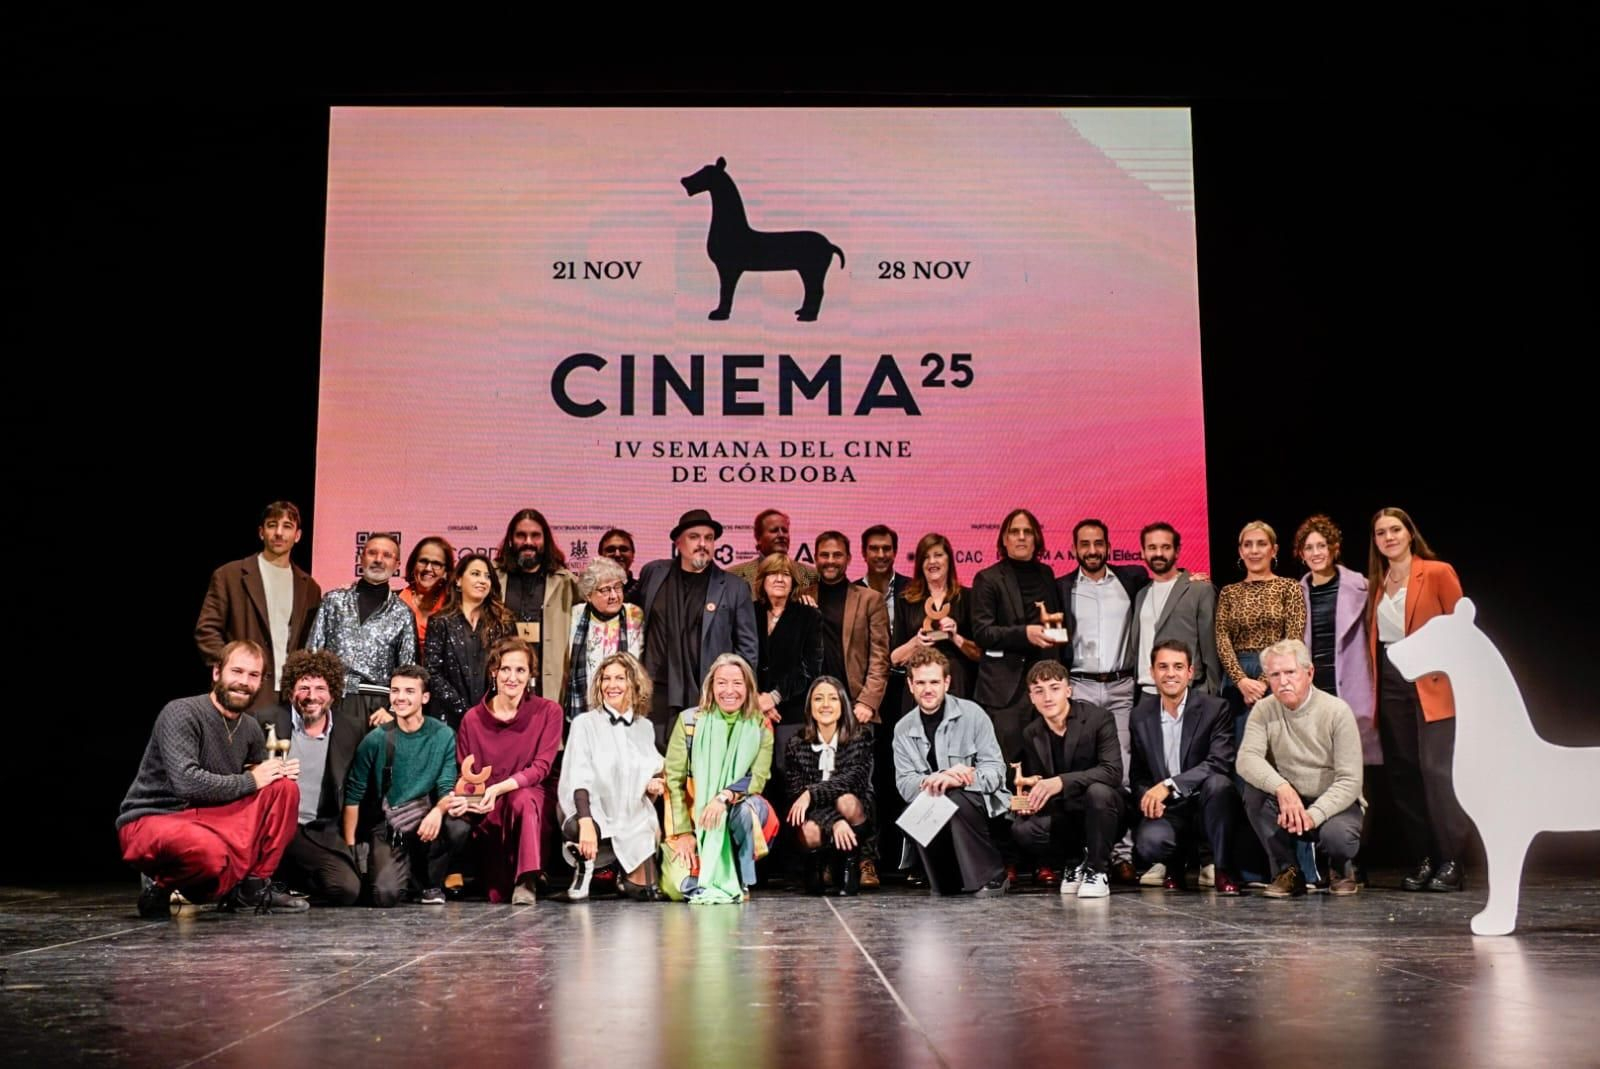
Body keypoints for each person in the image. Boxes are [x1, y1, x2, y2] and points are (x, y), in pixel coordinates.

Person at [117, 640, 307, 916]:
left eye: (253, 675)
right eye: (237, 671)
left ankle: (252, 888)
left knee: (283, 789)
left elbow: (252, 786)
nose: (244, 682)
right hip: (157, 817)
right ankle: (161, 885)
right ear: (217, 673)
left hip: (210, 819)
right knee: (209, 851)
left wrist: (274, 773)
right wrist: (252, 780)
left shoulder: (251, 728)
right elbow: (186, 782)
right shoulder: (182, 712)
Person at [1368, 507, 1470, 892]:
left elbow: (1461, 629)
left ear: (1410, 533)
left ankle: (1453, 859)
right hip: (1393, 680)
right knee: (1404, 773)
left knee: (1437, 771)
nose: (1389, 537)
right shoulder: (1377, 582)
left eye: (1395, 530)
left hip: (1433, 681)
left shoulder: (1437, 572)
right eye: (1381, 533)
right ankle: (1424, 858)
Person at [1059, 518, 1150, 881]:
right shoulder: (1062, 587)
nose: (1092, 550)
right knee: (1081, 771)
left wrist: (1193, 578)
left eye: (1098, 543)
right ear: (1074, 548)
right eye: (1085, 543)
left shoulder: (1131, 580)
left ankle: (1122, 854)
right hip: (1078, 685)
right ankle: (1086, 853)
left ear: (1108, 546)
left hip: (1120, 688)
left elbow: (1167, 582)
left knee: (1121, 773)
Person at [1236, 640, 1364, 898]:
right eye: (1275, 674)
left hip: (1333, 804)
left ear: (1309, 673)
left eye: (1290, 672)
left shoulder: (1337, 711)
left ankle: (1339, 868)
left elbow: (1350, 781)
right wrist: (1282, 788)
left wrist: (1313, 815)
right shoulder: (1263, 710)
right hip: (1290, 803)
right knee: (1254, 794)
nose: (1283, 681)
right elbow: (1246, 759)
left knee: (1337, 837)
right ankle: (1287, 871)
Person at [341, 665, 468, 908]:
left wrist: (437, 812)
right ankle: (408, 875)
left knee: (457, 826)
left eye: (410, 691)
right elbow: (353, 796)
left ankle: (430, 882)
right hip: (390, 825)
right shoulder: (377, 739)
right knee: (384, 895)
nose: (400, 697)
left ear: (425, 697)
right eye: (395, 690)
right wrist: (349, 850)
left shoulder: (443, 735)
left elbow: (446, 785)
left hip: (425, 818)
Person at [451, 639, 563, 905]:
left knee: (521, 797)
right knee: (496, 894)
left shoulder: (549, 712)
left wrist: (500, 787)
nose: (512, 678)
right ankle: (510, 871)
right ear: (494, 672)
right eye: (505, 669)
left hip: (532, 797)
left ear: (530, 675)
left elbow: (542, 767)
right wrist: (468, 801)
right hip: (490, 808)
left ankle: (529, 877)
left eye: (520, 670)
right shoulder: (473, 719)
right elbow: (466, 776)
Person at [891, 647, 1010, 896]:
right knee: (920, 806)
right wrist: (935, 780)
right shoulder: (903, 728)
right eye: (921, 682)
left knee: (952, 799)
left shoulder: (973, 714)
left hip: (980, 802)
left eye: (934, 681)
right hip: (932, 802)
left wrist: (958, 779)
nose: (928, 689)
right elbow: (904, 784)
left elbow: (996, 771)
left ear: (947, 682)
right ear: (910, 685)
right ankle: (947, 880)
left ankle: (993, 875)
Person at [1127, 640, 1243, 894]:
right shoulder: (1140, 715)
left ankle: (1223, 869)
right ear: (1152, 672)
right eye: (1163, 667)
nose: (1171, 674)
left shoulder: (1215, 708)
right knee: (1149, 844)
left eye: (1178, 667)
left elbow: (1219, 763)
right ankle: (1174, 865)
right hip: (1168, 811)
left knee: (1220, 785)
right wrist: (1148, 796)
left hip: (1204, 803)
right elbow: (1138, 773)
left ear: (1190, 672)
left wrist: (1169, 786)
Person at [638, 509, 760, 747]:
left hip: (709, 695)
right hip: (657, 693)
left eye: (709, 538)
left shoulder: (734, 587)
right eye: (694, 537)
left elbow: (748, 650)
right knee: (656, 772)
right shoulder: (654, 573)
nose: (702, 544)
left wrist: (736, 694)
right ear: (678, 542)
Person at [662, 654, 777, 903]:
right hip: (695, 819)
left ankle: (741, 878)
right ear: (710, 687)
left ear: (748, 688)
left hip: (739, 808)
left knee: (746, 811)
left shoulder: (760, 724)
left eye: (737, 683)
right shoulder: (690, 721)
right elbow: (673, 780)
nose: (729, 691)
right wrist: (684, 832)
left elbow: (757, 778)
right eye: (722, 683)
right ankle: (711, 875)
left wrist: (723, 797)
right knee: (675, 887)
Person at [255, 648, 361, 905]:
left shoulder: (351, 729)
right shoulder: (264, 720)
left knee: (347, 890)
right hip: (270, 827)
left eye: (320, 688)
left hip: (317, 831)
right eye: (304, 687)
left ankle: (289, 889)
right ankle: (269, 886)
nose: (311, 696)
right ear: (291, 690)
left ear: (333, 693)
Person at [1011, 660, 1124, 899]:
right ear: (1031, 697)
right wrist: (1032, 799)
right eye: (1038, 691)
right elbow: (1042, 781)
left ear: (1069, 691)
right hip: (1067, 812)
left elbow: (1112, 772)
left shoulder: (1098, 718)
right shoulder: (1032, 732)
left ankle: (1098, 870)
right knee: (1024, 829)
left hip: (1105, 808)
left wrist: (1060, 781)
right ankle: (1075, 861)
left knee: (1098, 792)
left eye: (1054, 687)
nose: (1047, 697)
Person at [558, 652, 666, 901]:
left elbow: (652, 766)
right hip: (594, 811)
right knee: (583, 825)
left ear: (634, 683)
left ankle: (618, 874)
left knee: (644, 892)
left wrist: (653, 783)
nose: (611, 685)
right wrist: (585, 820)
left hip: (631, 814)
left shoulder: (644, 727)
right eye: (606, 679)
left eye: (620, 678)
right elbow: (578, 775)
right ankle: (584, 868)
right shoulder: (585, 723)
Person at [194, 501, 322, 707]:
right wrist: (234, 669)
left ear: (297, 535)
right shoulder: (230, 575)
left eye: (287, 526)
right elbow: (207, 630)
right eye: (272, 525)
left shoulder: (310, 587)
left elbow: (310, 643)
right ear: (261, 532)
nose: (279, 533)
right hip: (241, 692)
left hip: (288, 697)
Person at [971, 508, 1065, 764]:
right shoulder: (987, 578)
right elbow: (982, 632)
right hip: (1005, 692)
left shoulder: (1047, 574)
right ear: (1004, 539)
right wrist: (1025, 634)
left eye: (1027, 532)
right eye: (1015, 532)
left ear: (1036, 538)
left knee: (1046, 764)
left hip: (1046, 686)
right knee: (1008, 767)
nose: (1021, 537)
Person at [306, 532, 418, 735]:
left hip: (378, 709)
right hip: (331, 701)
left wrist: (393, 711)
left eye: (387, 555)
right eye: (372, 553)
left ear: (397, 564)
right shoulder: (333, 601)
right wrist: (313, 700)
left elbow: (407, 671)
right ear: (361, 557)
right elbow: (312, 656)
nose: (378, 560)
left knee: (373, 766)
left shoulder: (403, 613)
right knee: (332, 767)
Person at [1294, 515, 1378, 764]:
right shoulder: (1295, 594)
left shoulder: (1362, 587)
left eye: (1321, 545)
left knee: (1356, 764)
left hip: (1353, 684)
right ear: (1301, 554)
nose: (1315, 553)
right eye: (1309, 547)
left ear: (1334, 548)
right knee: (1320, 764)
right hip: (1316, 684)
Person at [1215, 521, 1307, 749]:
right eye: (1248, 545)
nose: (1254, 551)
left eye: (1261, 544)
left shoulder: (1290, 587)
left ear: (1273, 550)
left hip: (1279, 675)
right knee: (1241, 748)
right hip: (1238, 680)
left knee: (1278, 748)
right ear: (1240, 551)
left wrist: (1267, 681)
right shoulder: (1228, 592)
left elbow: (1294, 638)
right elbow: (1221, 637)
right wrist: (1241, 681)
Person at [784, 676, 872, 895]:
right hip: (819, 818)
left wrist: (811, 793)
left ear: (843, 704)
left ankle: (850, 858)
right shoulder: (796, 744)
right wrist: (835, 822)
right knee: (810, 829)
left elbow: (852, 782)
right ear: (810, 706)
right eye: (818, 699)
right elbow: (797, 794)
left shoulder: (860, 738)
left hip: (855, 812)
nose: (825, 705)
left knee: (847, 800)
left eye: (833, 699)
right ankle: (817, 865)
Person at [494, 509, 580, 701]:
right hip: (503, 683)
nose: (528, 542)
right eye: (521, 535)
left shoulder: (565, 581)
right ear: (510, 539)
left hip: (548, 684)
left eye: (535, 536)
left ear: (545, 540)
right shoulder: (494, 577)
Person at [423, 552, 516, 729]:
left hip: (494, 717)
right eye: (475, 574)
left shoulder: (504, 623)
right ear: (458, 580)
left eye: (487, 576)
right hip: (447, 720)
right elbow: (432, 672)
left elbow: (511, 668)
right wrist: (464, 710)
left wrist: (489, 707)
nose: (482, 580)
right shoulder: (440, 622)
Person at [1130, 522, 1222, 697]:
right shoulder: (1141, 594)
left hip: (1189, 693)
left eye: (1165, 547)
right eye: (1152, 547)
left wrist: (1212, 696)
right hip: (1147, 694)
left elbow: (1211, 651)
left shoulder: (1199, 590)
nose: (1158, 554)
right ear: (1142, 552)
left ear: (1177, 551)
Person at [564, 557, 645, 722]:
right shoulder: (574, 616)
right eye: (605, 590)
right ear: (588, 595)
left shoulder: (635, 615)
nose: (614, 596)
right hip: (584, 712)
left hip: (626, 711)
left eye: (617, 587)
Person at [754, 553, 823, 731]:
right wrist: (757, 698)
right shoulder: (748, 612)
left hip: (792, 714)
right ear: (762, 580)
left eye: (785, 574)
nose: (779, 579)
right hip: (752, 709)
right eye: (773, 573)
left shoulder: (809, 615)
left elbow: (811, 667)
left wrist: (774, 697)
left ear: (793, 581)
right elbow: (738, 657)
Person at [727, 508, 819, 592]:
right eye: (774, 531)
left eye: (785, 531)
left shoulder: (810, 575)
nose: (781, 535)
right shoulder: (734, 576)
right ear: (758, 538)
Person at [399, 536, 456, 648]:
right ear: (413, 564)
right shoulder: (395, 601)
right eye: (423, 561)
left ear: (446, 570)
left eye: (436, 564)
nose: (428, 568)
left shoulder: (454, 604)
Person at [598, 527, 642, 605]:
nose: (617, 554)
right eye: (610, 550)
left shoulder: (643, 591)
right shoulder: (589, 592)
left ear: (633, 555)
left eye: (623, 549)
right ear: (600, 556)